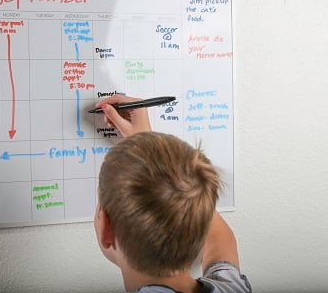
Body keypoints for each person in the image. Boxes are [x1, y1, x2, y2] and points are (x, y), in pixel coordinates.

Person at [93, 95, 251, 293]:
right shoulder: (231, 288)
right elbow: (220, 240)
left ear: (106, 228)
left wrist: (144, 151)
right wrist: (147, 153)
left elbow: (217, 237)